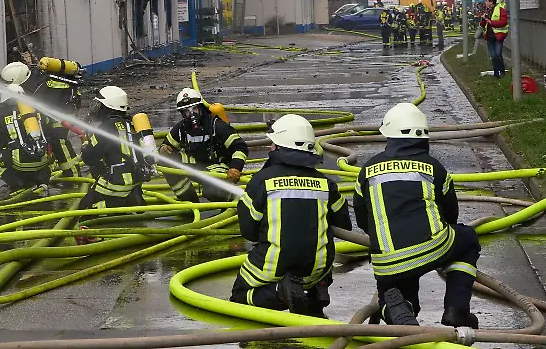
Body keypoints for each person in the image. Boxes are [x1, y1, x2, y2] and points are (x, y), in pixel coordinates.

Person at [352, 103, 481, 328]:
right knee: (468, 239)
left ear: (389, 136)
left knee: (393, 293)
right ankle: (457, 309)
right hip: (432, 246)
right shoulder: (434, 167)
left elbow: (363, 218)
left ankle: (398, 310)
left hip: (387, 259)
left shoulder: (367, 170)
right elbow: (451, 212)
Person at [231, 114, 351, 318]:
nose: (270, 147)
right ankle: (318, 290)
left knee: (240, 296)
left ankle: (280, 293)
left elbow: (249, 231)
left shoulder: (262, 181)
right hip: (316, 268)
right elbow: (344, 223)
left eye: (273, 143)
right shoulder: (326, 183)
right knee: (321, 242)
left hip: (273, 266)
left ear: (279, 147)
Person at [158, 88, 248, 202]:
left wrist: (235, 167)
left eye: (194, 109)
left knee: (212, 192)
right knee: (166, 161)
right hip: (196, 165)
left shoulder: (216, 126)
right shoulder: (181, 129)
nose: (191, 115)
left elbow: (240, 147)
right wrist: (163, 149)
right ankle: (190, 203)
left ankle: (233, 199)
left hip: (216, 166)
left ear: (201, 107)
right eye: (186, 111)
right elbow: (166, 146)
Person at [0, 60, 83, 177]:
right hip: (57, 105)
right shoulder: (30, 80)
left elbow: (43, 114)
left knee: (58, 140)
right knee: (46, 135)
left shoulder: (40, 89)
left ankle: (73, 174)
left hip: (66, 109)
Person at [78, 85, 152, 210]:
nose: (97, 109)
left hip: (117, 182)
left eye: (100, 106)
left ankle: (120, 204)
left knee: (83, 208)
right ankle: (132, 199)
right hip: (135, 180)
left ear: (107, 108)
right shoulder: (129, 123)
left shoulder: (106, 128)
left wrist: (85, 143)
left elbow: (89, 158)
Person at [0, 84, 52, 193]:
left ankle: (16, 183)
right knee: (51, 148)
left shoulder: (1, 117)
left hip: (20, 165)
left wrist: (11, 145)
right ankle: (42, 181)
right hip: (43, 161)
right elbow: (50, 133)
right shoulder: (37, 113)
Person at [479, 0, 508, 78]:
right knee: (493, 56)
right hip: (489, 36)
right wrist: (483, 20)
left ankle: (502, 71)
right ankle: (496, 73)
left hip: (498, 36)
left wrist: (490, 21)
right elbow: (483, 25)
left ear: (491, 2)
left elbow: (503, 22)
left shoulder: (500, 10)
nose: (485, 3)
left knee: (498, 54)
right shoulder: (487, 11)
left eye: (486, 1)